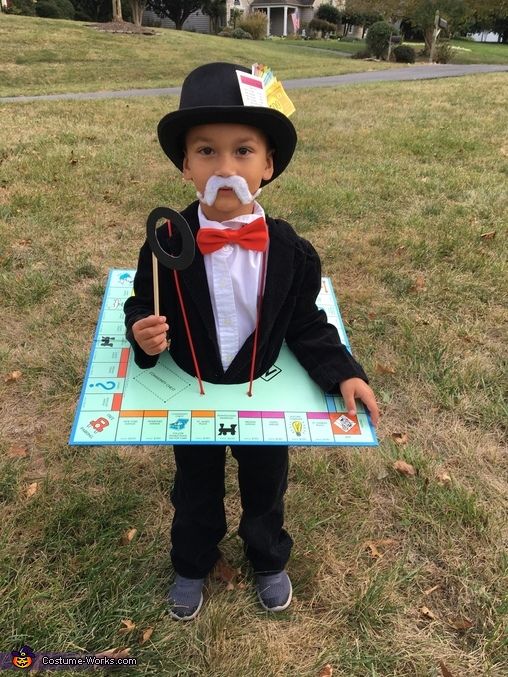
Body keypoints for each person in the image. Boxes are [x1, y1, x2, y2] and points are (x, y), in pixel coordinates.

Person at [124, 62, 379, 621]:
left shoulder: (291, 253)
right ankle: (191, 561)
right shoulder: (166, 243)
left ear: (268, 165)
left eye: (242, 151)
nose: (224, 168)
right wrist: (143, 332)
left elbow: (305, 322)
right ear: (186, 164)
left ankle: (267, 557)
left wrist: (342, 370)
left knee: (266, 484)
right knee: (195, 487)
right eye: (207, 151)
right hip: (194, 390)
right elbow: (142, 302)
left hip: (260, 392)